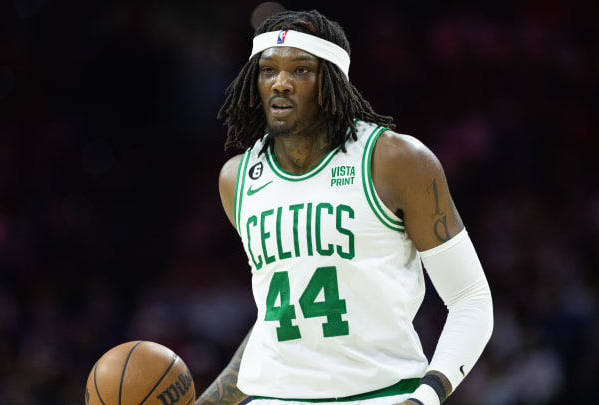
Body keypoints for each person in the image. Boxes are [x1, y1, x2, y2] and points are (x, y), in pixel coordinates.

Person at [198, 10, 493, 405]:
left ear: (331, 82)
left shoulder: (394, 160)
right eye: (268, 70)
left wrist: (427, 396)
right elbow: (282, 316)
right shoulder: (237, 179)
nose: (281, 83)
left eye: (301, 70)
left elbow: (470, 298)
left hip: (381, 395)